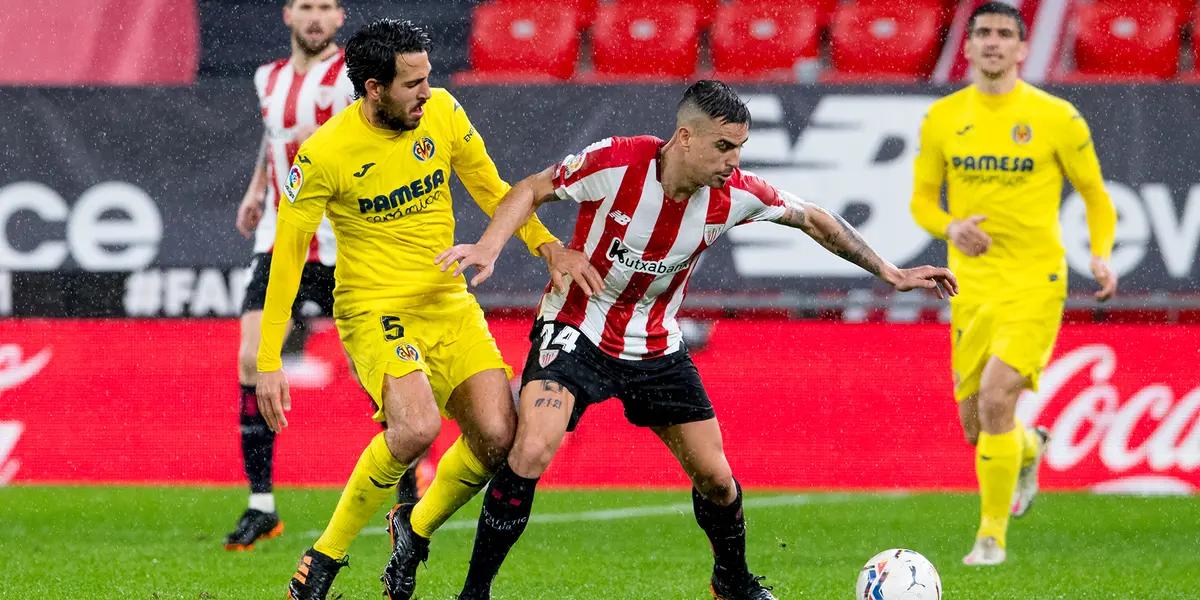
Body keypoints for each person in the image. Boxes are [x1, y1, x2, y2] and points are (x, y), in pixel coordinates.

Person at [426, 80, 958, 600]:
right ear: (685, 138)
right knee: (531, 449)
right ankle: (474, 593)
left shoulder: (736, 194)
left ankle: (732, 581)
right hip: (577, 324)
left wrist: (890, 272)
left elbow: (814, 219)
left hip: (655, 342)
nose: (733, 160)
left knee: (717, 479)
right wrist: (491, 246)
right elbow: (530, 188)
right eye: (723, 146)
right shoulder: (617, 161)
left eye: (740, 148)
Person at [253, 18, 591, 600]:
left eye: (428, 78)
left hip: (448, 302)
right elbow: (288, 255)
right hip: (374, 308)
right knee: (416, 427)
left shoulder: (443, 112)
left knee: (497, 439)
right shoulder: (325, 154)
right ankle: (324, 558)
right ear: (374, 89)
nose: (426, 92)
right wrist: (268, 359)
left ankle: (414, 529)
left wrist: (547, 246)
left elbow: (492, 187)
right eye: (412, 83)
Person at [908, 2, 1117, 566]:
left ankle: (990, 540)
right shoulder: (943, 118)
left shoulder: (1056, 117)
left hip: (1035, 281)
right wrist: (951, 226)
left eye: (1005, 33)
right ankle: (1029, 447)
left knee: (1000, 394)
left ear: (1022, 49)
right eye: (983, 33)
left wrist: (1100, 256)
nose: (994, 41)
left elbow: (1095, 195)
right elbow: (921, 201)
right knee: (977, 428)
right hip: (969, 287)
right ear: (968, 46)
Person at [226, 0, 352, 552]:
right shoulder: (268, 78)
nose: (315, 16)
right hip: (281, 241)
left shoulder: (353, 76)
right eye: (306, 6)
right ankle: (261, 505)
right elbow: (272, 137)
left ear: (340, 17)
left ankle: (407, 488)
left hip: (346, 241)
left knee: (377, 368)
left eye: (325, 7)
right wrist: (257, 189)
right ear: (288, 15)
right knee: (252, 359)